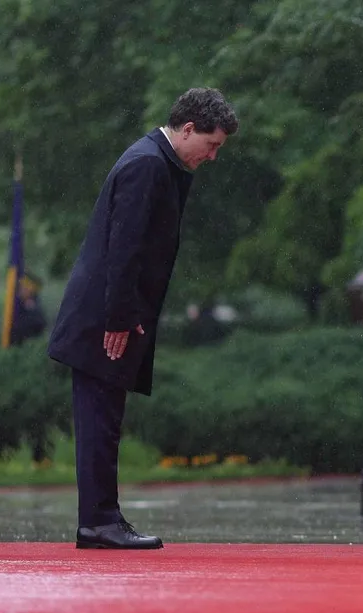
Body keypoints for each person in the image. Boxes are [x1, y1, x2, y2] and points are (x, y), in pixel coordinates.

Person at [47, 88, 238, 550]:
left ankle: (102, 519)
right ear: (188, 128)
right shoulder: (148, 164)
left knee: (104, 420)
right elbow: (124, 247)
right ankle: (99, 523)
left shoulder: (156, 161)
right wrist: (118, 319)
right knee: (100, 422)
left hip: (111, 314)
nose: (212, 157)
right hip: (104, 319)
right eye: (211, 145)